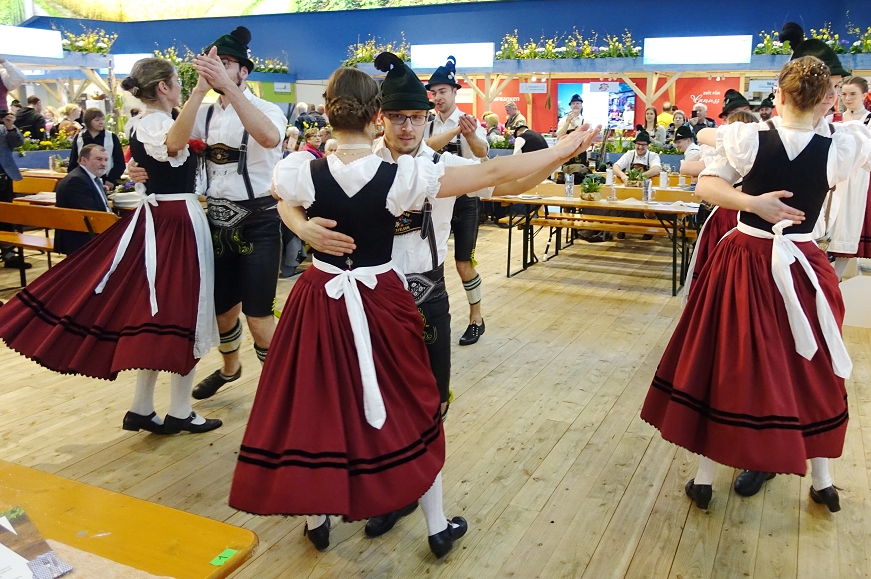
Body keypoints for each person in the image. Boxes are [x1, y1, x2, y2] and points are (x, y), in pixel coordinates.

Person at [229, 56, 598, 555]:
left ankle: (388, 502)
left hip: (402, 297)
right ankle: (394, 509)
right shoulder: (391, 173)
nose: (407, 126)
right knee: (342, 405)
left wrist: (560, 152)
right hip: (377, 300)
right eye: (398, 117)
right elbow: (286, 199)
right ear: (378, 116)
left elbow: (503, 177)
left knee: (414, 405)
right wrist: (302, 227)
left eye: (417, 117)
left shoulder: (420, 168)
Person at [641, 54, 871, 515]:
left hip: (744, 259)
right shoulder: (842, 145)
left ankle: (707, 477)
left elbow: (706, 186)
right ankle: (821, 480)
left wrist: (752, 203)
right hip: (802, 263)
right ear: (827, 100)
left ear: (779, 95)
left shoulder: (748, 138)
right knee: (812, 365)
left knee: (728, 359)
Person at [0, 57, 221, 435]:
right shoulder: (156, 123)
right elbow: (173, 144)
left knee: (161, 311)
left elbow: (168, 149)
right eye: (177, 82)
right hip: (174, 219)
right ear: (164, 87)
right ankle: (180, 410)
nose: (182, 88)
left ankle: (143, 408)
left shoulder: (151, 122)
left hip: (162, 218)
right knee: (187, 308)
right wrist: (200, 91)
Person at [128, 27, 287, 401]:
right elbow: (165, 143)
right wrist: (137, 168)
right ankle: (231, 368)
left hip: (259, 221)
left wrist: (226, 87)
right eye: (211, 63)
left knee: (259, 316)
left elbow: (269, 138)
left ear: (243, 71)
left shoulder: (268, 109)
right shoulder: (200, 113)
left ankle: (281, 392)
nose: (214, 68)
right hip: (214, 222)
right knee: (220, 312)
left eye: (225, 63)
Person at [424, 57, 490, 346]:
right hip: (434, 201)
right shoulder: (427, 123)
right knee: (430, 260)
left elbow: (482, 152)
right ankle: (432, 320)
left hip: (464, 200)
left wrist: (470, 133)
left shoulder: (468, 120)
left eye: (442, 91)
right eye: (434, 92)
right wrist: (453, 132)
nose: (437, 97)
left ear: (454, 92)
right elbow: (424, 149)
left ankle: (476, 318)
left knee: (463, 262)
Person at [831, 75, 871, 276]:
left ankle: (837, 275)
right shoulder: (833, 119)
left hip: (859, 179)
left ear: (864, 95)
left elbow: (870, 149)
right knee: (830, 222)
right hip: (836, 177)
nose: (847, 98)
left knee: (850, 223)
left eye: (853, 94)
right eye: (844, 94)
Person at [54, 143, 112, 254]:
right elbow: (91, 216)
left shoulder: (90, 177)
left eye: (106, 160)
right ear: (83, 160)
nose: (104, 164)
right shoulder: (76, 181)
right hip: (81, 239)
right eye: (99, 159)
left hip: (91, 231)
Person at [67, 108, 126, 190]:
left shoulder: (111, 137)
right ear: (88, 122)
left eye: (103, 119)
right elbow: (74, 162)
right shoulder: (79, 138)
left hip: (107, 180)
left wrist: (111, 180)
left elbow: (119, 162)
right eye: (97, 120)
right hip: (84, 181)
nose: (101, 122)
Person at [1, 108, 28, 270]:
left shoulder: (5, 127)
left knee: (6, 216)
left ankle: (9, 255)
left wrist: (10, 127)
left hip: (3, 178)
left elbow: (18, 143)